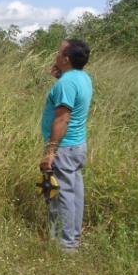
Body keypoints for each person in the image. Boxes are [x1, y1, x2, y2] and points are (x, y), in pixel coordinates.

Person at [40, 39, 93, 254]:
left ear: (66, 58)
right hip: (76, 146)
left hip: (64, 148)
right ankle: (72, 239)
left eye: (59, 51)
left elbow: (62, 120)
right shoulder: (82, 77)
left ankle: (66, 247)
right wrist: (62, 74)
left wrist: (50, 151)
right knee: (73, 195)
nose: (56, 54)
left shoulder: (66, 84)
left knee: (62, 197)